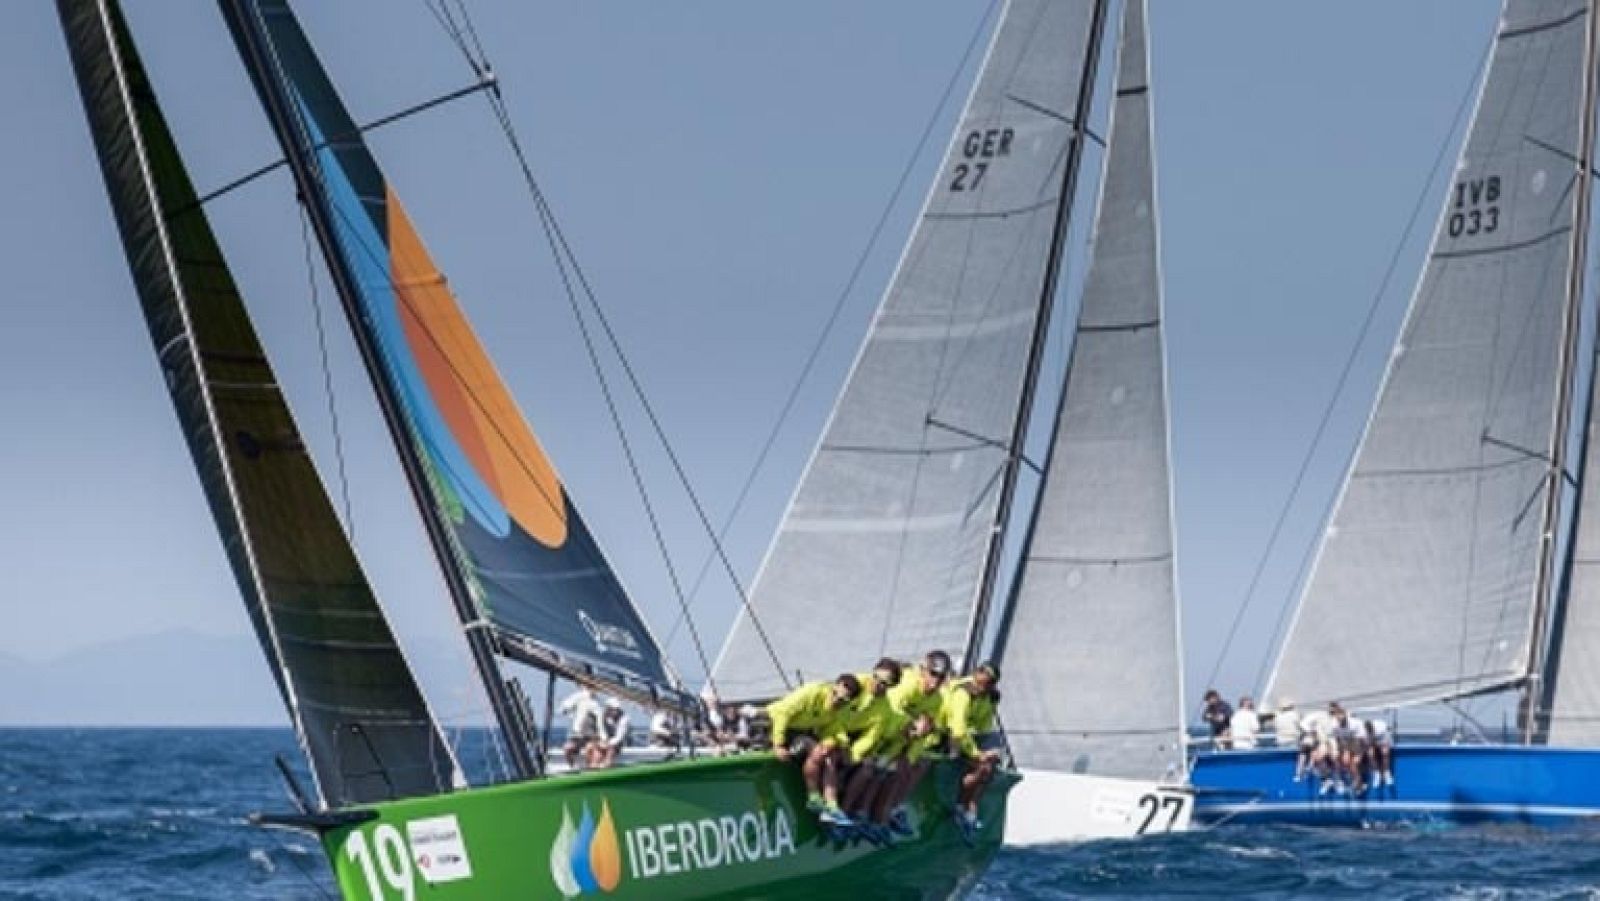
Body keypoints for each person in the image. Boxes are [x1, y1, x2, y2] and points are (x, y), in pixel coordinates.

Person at [766, 673, 863, 824]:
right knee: (812, 746)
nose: (836, 700)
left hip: (799, 731)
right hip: (773, 724)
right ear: (833, 687)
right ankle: (813, 797)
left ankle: (831, 806)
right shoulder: (812, 692)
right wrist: (778, 744)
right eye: (835, 694)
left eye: (842, 700)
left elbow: (833, 730)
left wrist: (835, 745)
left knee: (828, 755)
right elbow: (782, 713)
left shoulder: (840, 709)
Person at [839, 659, 908, 837]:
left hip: (851, 741)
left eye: (884, 683)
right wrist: (840, 742)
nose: (876, 684)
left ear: (892, 686)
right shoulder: (854, 684)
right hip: (832, 733)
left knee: (875, 767)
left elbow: (870, 738)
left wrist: (854, 756)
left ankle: (848, 814)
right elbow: (833, 713)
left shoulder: (885, 709)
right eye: (875, 677)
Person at [940, 661, 1002, 843]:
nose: (985, 686)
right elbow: (958, 729)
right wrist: (976, 754)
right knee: (980, 764)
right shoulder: (963, 692)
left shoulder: (990, 696)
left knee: (990, 764)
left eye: (990, 683)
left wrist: (988, 751)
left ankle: (971, 806)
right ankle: (961, 805)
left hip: (969, 735)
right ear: (976, 674)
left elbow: (984, 726)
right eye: (983, 681)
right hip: (948, 733)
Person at [558, 686, 603, 770]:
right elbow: (563, 709)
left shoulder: (597, 702)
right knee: (567, 748)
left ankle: (590, 769)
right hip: (577, 735)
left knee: (590, 749)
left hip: (591, 735)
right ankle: (573, 767)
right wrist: (568, 712)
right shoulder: (578, 697)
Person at [590, 698, 631, 769]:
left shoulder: (624, 719)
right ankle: (593, 767)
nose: (614, 711)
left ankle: (606, 766)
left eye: (615, 709)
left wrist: (608, 744)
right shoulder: (602, 715)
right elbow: (601, 728)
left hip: (616, 743)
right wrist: (603, 740)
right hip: (604, 740)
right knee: (595, 751)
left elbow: (619, 737)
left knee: (610, 750)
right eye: (611, 709)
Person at [1366, 716, 1395, 787]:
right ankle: (1377, 773)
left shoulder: (1381, 728)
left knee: (1385, 752)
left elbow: (1386, 742)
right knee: (1370, 754)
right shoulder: (1365, 732)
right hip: (1373, 741)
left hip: (1383, 739)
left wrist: (1379, 745)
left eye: (1371, 729)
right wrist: (1372, 746)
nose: (1370, 731)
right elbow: (1368, 743)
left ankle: (1386, 772)